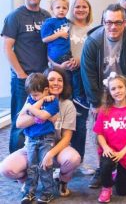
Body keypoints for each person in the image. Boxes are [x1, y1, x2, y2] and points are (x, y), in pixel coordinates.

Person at [81, 3, 126, 188]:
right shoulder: (93, 41)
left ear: (125, 23)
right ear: (103, 22)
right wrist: (95, 103)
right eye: (109, 22)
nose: (113, 27)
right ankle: (104, 169)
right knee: (102, 131)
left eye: (118, 22)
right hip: (101, 93)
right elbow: (88, 74)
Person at [0, 67, 81, 200]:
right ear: (44, 84)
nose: (56, 83)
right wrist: (39, 111)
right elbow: (19, 123)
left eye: (59, 80)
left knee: (71, 159)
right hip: (31, 143)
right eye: (51, 80)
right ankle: (27, 185)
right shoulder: (32, 98)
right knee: (7, 168)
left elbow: (67, 137)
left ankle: (60, 183)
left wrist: (50, 154)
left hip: (55, 146)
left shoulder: (66, 105)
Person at [1, 0, 51, 153]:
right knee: (20, 121)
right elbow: (7, 48)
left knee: (41, 120)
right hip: (23, 80)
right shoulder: (15, 17)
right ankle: (16, 162)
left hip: (44, 79)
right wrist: (22, 75)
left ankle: (36, 159)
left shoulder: (47, 16)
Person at [94, 74, 126, 203]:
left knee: (122, 192)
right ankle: (106, 187)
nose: (117, 91)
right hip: (109, 150)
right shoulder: (104, 110)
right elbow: (99, 133)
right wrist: (105, 147)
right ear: (109, 92)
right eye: (113, 89)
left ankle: (116, 174)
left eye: (120, 87)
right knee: (106, 164)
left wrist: (123, 152)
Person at [16, 73, 59, 203]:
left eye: (36, 95)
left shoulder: (52, 101)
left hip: (46, 139)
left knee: (44, 166)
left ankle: (48, 192)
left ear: (46, 90)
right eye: (32, 95)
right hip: (30, 139)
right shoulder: (31, 99)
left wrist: (30, 108)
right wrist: (38, 101)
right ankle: (29, 192)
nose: (33, 97)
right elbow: (20, 119)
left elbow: (43, 116)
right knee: (31, 167)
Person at [68, 0, 94, 174]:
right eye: (77, 6)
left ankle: (79, 160)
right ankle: (60, 162)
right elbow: (52, 49)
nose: (81, 9)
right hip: (64, 78)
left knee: (80, 122)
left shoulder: (94, 31)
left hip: (84, 81)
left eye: (84, 6)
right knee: (60, 122)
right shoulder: (65, 27)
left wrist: (80, 59)